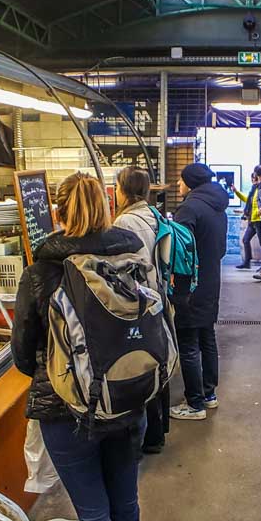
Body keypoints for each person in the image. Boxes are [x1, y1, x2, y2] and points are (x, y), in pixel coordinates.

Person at [11, 172, 148, 521]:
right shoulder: (130, 256)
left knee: (93, 511)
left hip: (65, 408)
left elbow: (22, 353)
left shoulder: (41, 272)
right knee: (126, 503)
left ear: (58, 212)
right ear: (108, 205)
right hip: (127, 395)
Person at [112, 166, 174, 454]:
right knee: (156, 362)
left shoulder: (126, 221)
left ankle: (147, 438)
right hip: (158, 296)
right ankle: (157, 434)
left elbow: (126, 267)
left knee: (141, 366)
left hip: (141, 302)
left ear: (123, 190)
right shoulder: (152, 213)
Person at [168, 162, 228, 421]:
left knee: (189, 344)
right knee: (207, 338)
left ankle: (194, 404)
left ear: (190, 182)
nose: (179, 186)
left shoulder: (189, 208)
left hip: (190, 288)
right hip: (211, 282)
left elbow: (179, 253)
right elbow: (222, 249)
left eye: (181, 181)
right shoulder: (218, 207)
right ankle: (208, 394)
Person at [234, 172, 261, 270]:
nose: (253, 180)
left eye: (254, 178)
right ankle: (247, 262)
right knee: (245, 240)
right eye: (252, 179)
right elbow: (248, 200)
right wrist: (236, 192)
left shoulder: (260, 189)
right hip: (252, 220)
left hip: (258, 220)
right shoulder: (253, 190)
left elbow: (256, 203)